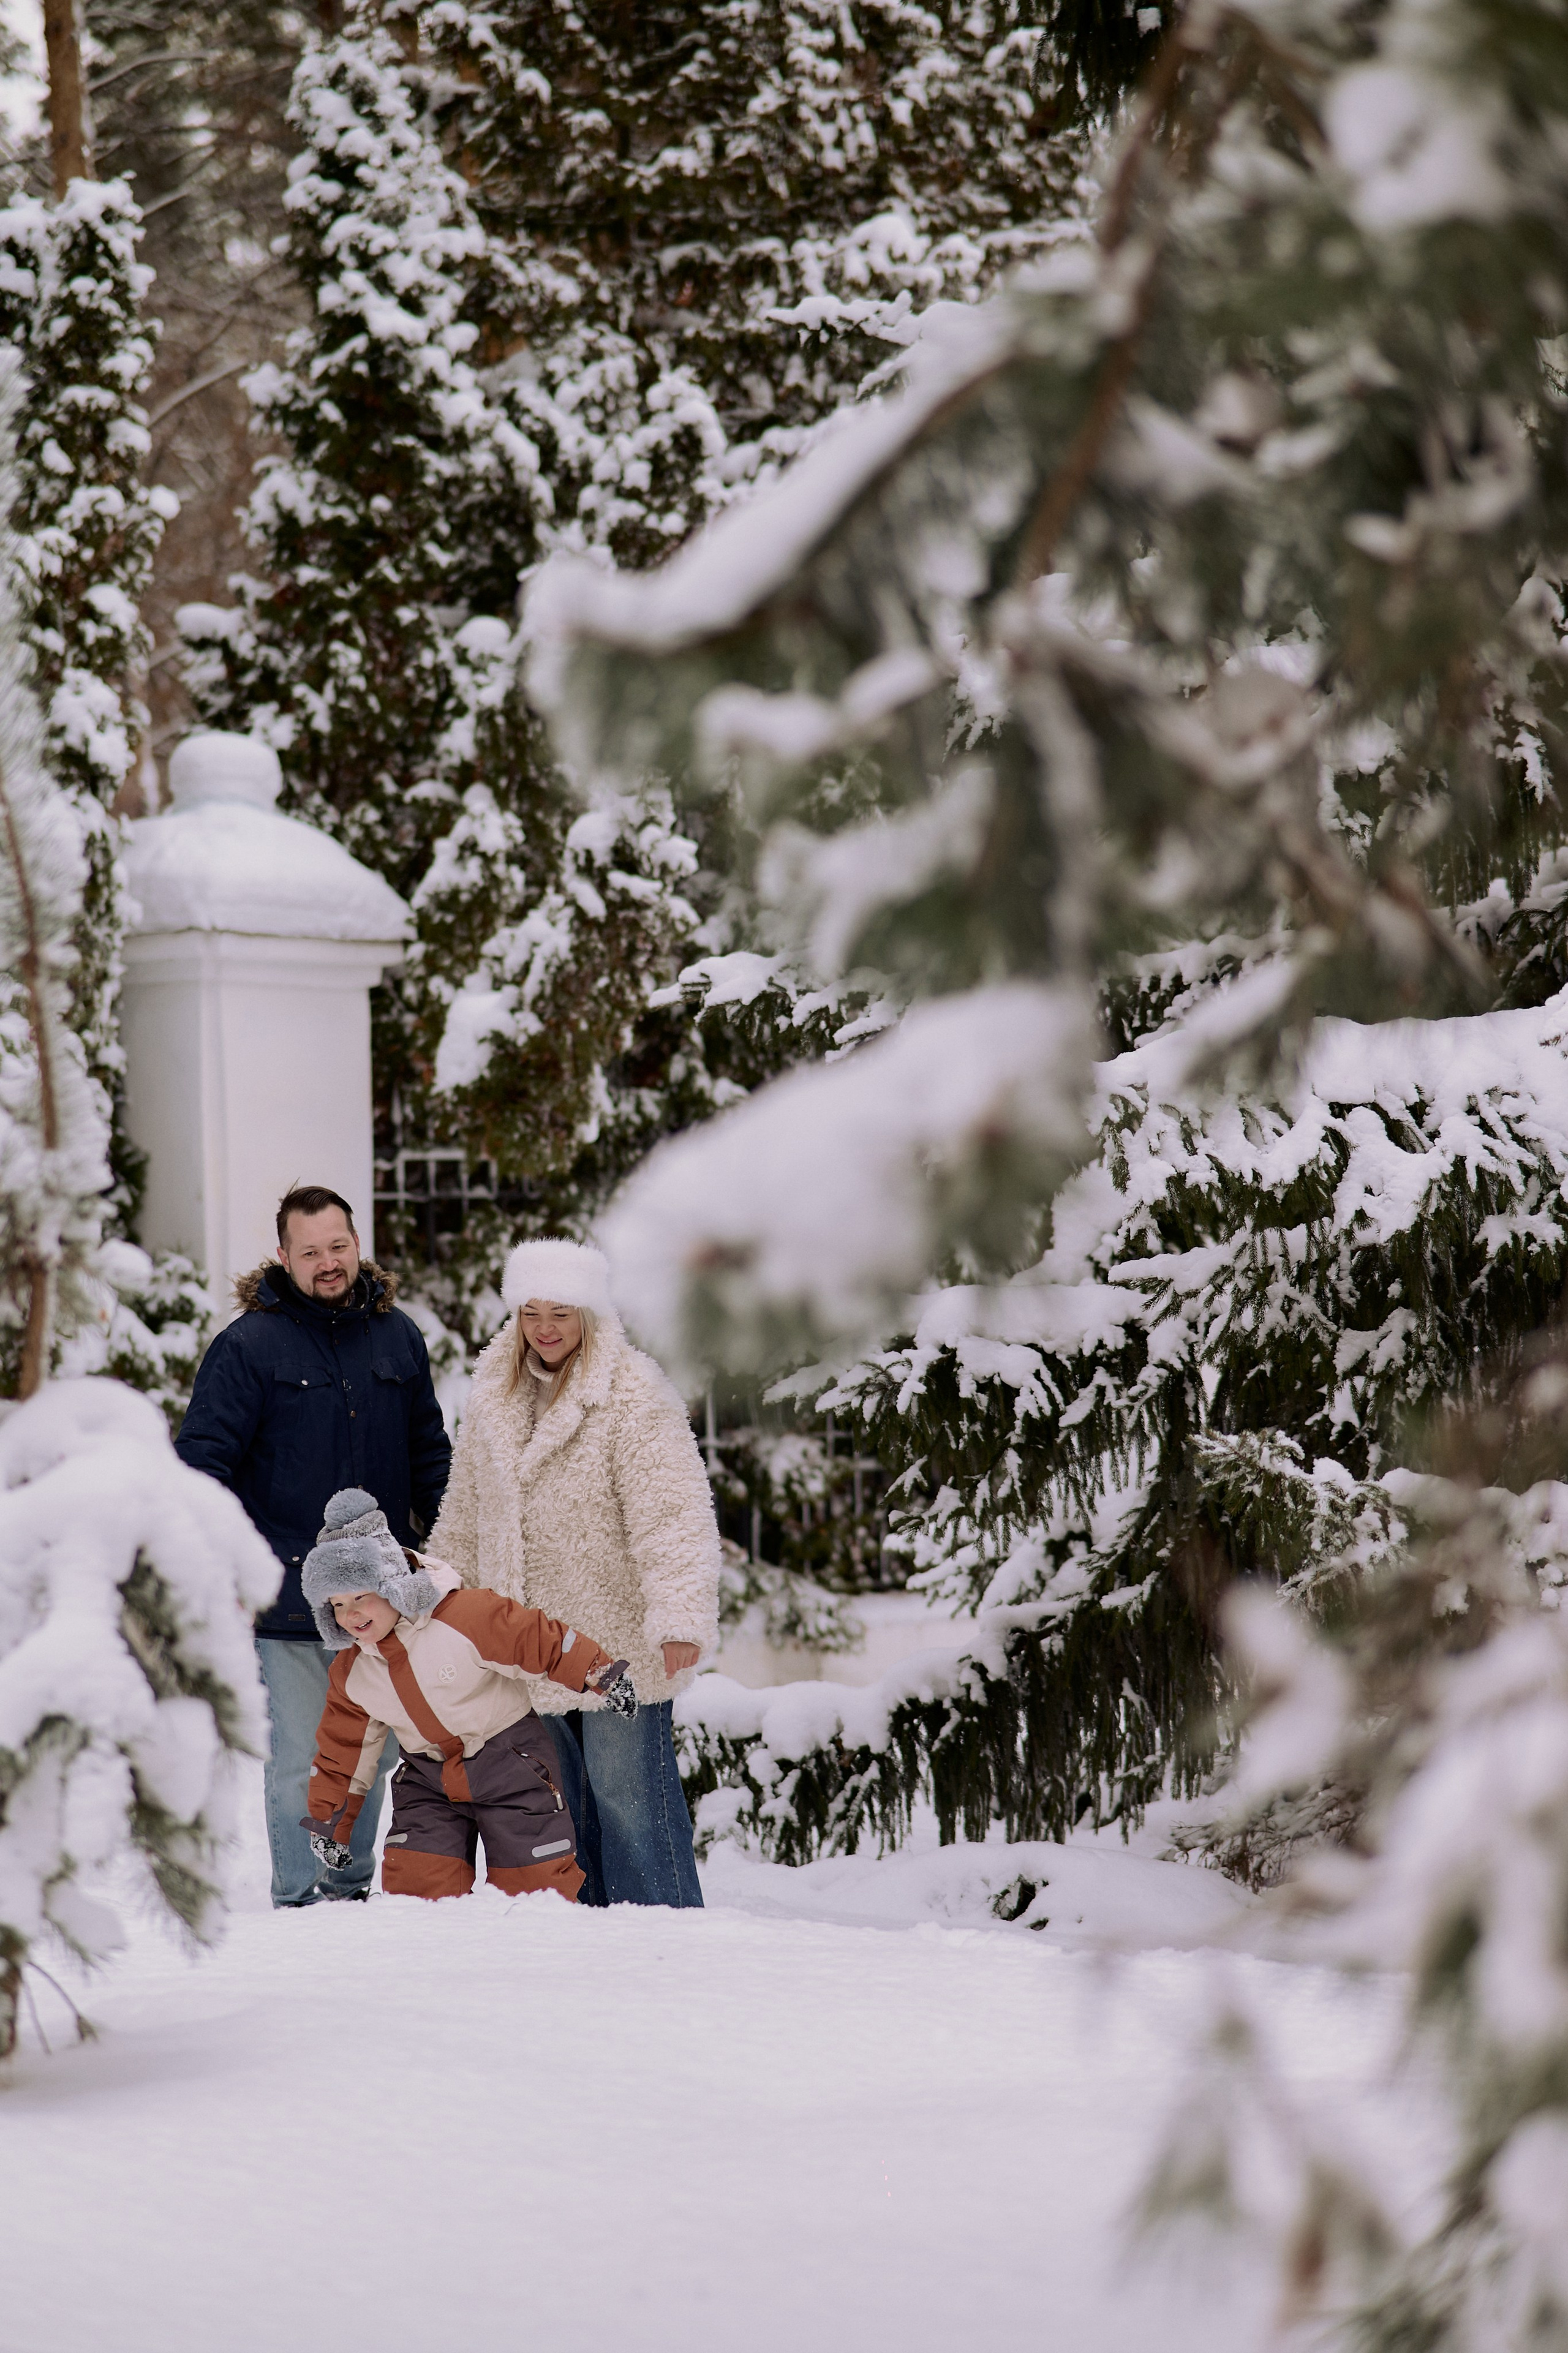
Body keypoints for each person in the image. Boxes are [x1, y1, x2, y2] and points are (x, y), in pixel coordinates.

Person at [175, 1184, 452, 1907]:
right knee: (302, 1756)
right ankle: (301, 1900)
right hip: (292, 1598)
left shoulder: (398, 1337)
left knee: (372, 1750)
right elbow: (202, 1467)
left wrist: (447, 1551)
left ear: (358, 1242)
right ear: (283, 1255)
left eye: (339, 1246)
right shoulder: (248, 1347)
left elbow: (432, 1455)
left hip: (386, 1597)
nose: (329, 1263)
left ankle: (347, 1893)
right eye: (311, 1252)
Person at [430, 1237, 720, 1907]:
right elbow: (466, 1512)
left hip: (617, 1642)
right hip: (531, 1646)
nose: (545, 1328)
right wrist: (438, 1599)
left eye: (561, 1312)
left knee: (629, 1800)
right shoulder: (495, 1394)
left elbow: (673, 1512)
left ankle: (666, 1935)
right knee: (561, 1813)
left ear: (590, 1312)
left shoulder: (633, 1392)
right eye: (531, 1312)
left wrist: (678, 1614)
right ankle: (592, 1954)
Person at [299, 1488, 637, 1900]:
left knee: (534, 1889)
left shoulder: (464, 1617)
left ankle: (538, 1951)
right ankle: (439, 1957)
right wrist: (329, 1822)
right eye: (335, 1604)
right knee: (418, 1887)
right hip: (428, 1780)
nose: (349, 1614)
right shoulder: (352, 1671)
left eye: (359, 1597)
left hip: (511, 1763)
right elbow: (342, 1751)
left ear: (392, 1584)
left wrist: (599, 1672)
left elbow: (536, 1639)